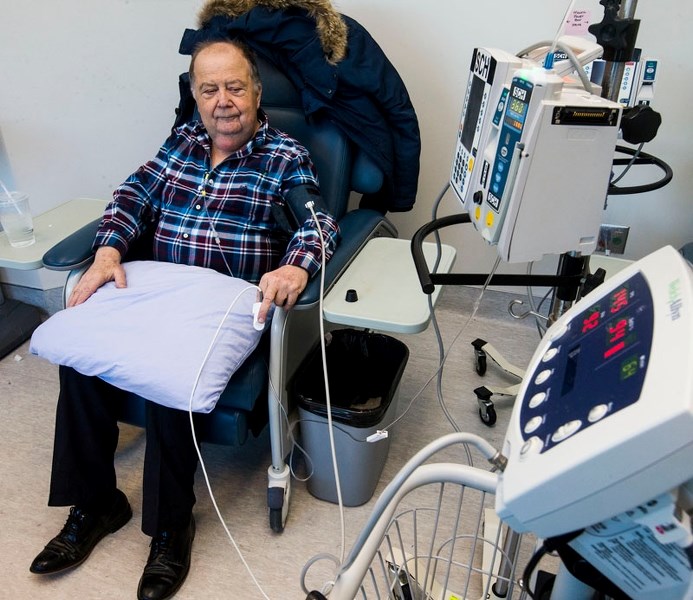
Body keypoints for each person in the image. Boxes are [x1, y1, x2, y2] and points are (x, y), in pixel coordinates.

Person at [29, 38, 339, 600]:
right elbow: (130, 196)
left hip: (217, 305)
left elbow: (317, 223)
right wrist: (107, 252)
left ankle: (172, 527)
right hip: (154, 290)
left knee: (171, 373)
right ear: (195, 96)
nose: (223, 101)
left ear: (257, 92)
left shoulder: (284, 156)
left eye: (235, 87)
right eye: (209, 89)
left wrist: (295, 268)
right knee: (80, 353)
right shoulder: (182, 142)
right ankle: (97, 504)